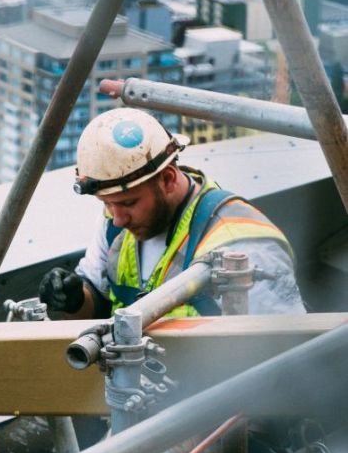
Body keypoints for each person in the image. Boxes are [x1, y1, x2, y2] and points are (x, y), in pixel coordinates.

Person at [38, 107, 306, 319]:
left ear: (167, 179)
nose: (118, 218)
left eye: (129, 203)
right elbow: (98, 300)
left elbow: (282, 351)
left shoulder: (242, 245)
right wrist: (75, 299)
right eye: (107, 203)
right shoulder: (115, 221)